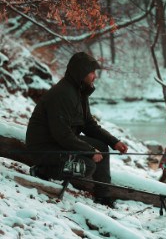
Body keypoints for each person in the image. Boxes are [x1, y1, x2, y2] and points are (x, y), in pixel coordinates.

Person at [26, 51, 128, 208]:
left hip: (58, 142)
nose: (95, 76)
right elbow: (62, 134)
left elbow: (89, 125)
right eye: (92, 72)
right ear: (81, 72)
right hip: (45, 148)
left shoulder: (80, 92)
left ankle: (103, 196)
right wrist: (89, 150)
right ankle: (42, 171)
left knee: (102, 147)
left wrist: (114, 142)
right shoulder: (62, 94)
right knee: (87, 166)